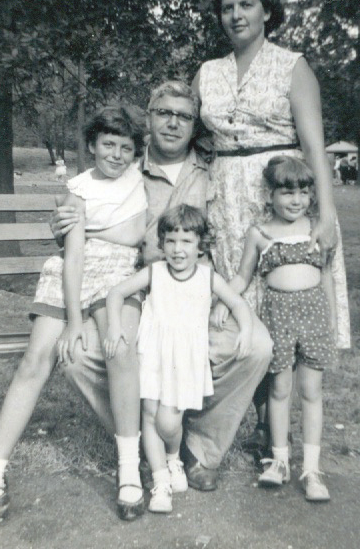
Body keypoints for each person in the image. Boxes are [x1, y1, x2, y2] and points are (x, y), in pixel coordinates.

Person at [51, 80, 272, 493]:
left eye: (184, 116)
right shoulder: (126, 166)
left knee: (256, 346)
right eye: (164, 113)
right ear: (149, 118)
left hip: (199, 290)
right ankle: (138, 438)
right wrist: (60, 227)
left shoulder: (214, 170)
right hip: (140, 289)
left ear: (195, 124)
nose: (173, 123)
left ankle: (198, 448)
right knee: (78, 356)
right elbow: (84, 216)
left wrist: (231, 294)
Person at [192, 0, 350, 451]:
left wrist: (323, 215)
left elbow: (314, 146)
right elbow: (189, 135)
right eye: (227, 7)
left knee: (281, 304)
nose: (236, 15)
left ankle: (270, 431)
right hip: (225, 201)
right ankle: (241, 416)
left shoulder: (292, 66)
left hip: (280, 197)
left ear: (266, 11)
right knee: (238, 302)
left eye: (245, 5)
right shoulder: (207, 72)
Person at [0, 105, 148, 524]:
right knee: (35, 360)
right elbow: (72, 257)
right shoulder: (76, 189)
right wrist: (73, 321)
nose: (116, 155)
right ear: (91, 146)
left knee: (120, 349)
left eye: (126, 148)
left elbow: (133, 235)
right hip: (70, 273)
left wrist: (90, 227)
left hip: (117, 272)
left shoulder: (139, 180)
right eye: (108, 145)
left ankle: (129, 467)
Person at [106, 204, 253, 513]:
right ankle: (161, 481)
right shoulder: (155, 272)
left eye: (186, 241)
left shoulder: (207, 277)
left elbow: (238, 305)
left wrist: (247, 330)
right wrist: (116, 326)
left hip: (183, 360)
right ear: (161, 243)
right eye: (170, 241)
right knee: (149, 415)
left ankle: (173, 458)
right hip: (153, 352)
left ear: (200, 245)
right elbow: (115, 294)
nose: (177, 249)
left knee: (169, 420)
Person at [212, 156, 337, 501]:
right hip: (278, 318)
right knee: (279, 390)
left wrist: (333, 325)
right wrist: (224, 301)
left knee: (311, 391)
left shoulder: (318, 228)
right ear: (270, 195)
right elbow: (241, 276)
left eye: (303, 192)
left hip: (313, 317)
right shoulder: (260, 232)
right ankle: (279, 460)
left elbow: (327, 278)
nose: (295, 200)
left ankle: (311, 469)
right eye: (286, 192)